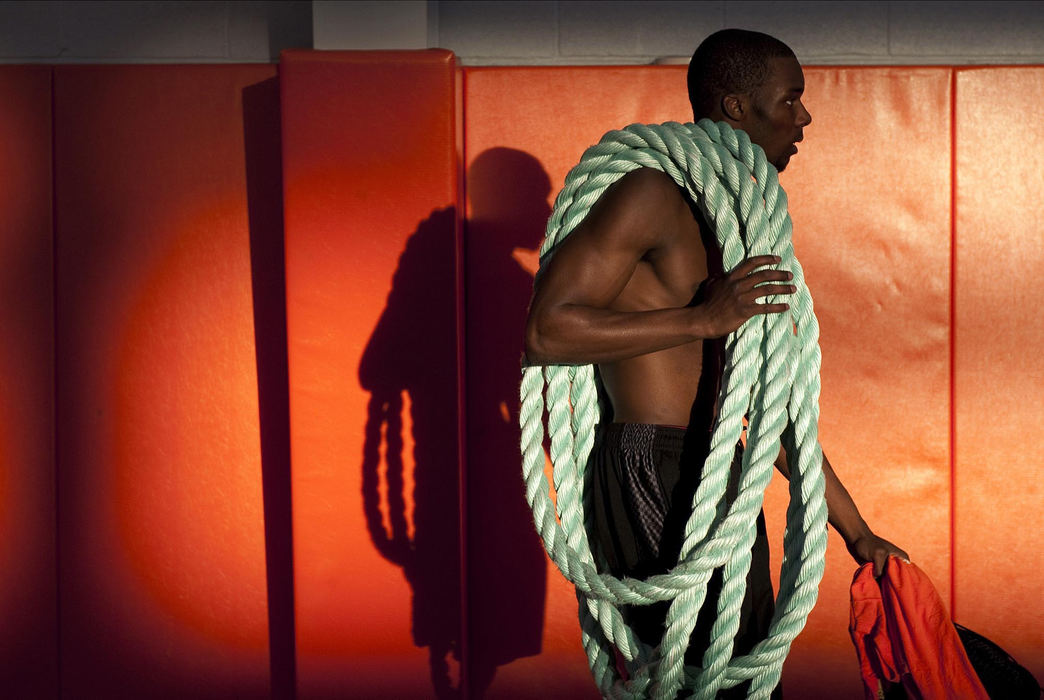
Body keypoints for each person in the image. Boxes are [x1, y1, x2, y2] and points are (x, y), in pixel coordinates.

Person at [523, 28, 909, 696]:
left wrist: (858, 532)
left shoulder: (744, 221)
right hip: (653, 463)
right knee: (698, 678)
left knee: (745, 672)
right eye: (791, 99)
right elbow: (547, 333)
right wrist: (702, 318)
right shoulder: (649, 196)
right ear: (735, 108)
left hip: (722, 467)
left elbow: (768, 411)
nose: (805, 116)